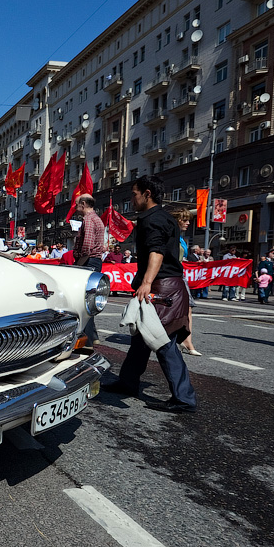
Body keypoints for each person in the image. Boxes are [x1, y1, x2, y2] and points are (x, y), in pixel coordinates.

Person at [102, 176, 197, 413]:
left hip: (162, 286)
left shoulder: (153, 220)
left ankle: (184, 398)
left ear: (147, 193)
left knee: (162, 341)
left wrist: (146, 283)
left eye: (134, 194)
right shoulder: (163, 217)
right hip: (167, 285)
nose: (131, 199)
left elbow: (157, 252)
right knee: (141, 340)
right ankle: (128, 382)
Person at [72, 194, 106, 345]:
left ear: (84, 204)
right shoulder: (96, 218)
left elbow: (87, 247)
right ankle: (93, 336)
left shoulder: (88, 219)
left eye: (77, 204)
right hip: (94, 261)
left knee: (83, 302)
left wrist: (78, 264)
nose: (76, 206)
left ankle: (87, 340)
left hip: (88, 262)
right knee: (89, 301)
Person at [169, 207, 201, 356]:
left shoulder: (181, 238)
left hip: (180, 275)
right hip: (170, 276)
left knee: (188, 307)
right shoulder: (170, 235)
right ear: (177, 220)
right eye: (185, 219)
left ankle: (187, 341)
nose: (188, 223)